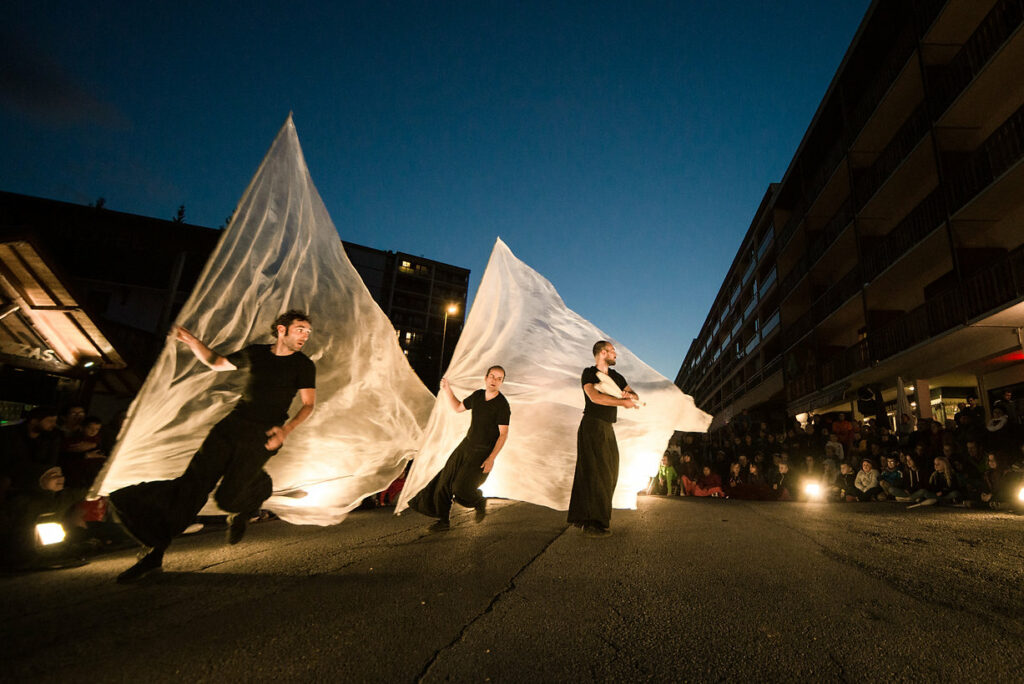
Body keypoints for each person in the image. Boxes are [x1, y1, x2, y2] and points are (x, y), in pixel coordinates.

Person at [109, 310, 316, 583]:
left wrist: (285, 431)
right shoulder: (256, 353)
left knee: (227, 499)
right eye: (300, 329)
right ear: (281, 329)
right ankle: (154, 554)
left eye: (308, 332)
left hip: (263, 436)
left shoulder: (303, 365)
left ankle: (255, 492)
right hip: (230, 428)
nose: (305, 335)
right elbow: (217, 363)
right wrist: (191, 341)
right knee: (190, 487)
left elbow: (309, 404)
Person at [408, 367, 510, 531]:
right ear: (486, 378)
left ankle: (478, 501)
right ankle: (443, 521)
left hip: (482, 452)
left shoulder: (502, 405)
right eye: (492, 376)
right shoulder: (477, 396)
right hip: (465, 446)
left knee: (460, 488)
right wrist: (448, 390)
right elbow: (457, 408)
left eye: (499, 378)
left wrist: (491, 458)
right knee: (444, 481)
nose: (494, 380)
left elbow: (503, 434)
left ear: (502, 382)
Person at [567, 341, 638, 537]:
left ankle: (584, 517)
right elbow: (594, 397)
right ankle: (594, 523)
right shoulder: (589, 373)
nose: (616, 355)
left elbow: (634, 395)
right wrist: (622, 402)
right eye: (613, 351)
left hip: (606, 427)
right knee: (596, 473)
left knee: (610, 472)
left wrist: (628, 395)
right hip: (592, 425)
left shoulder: (616, 377)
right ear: (602, 352)